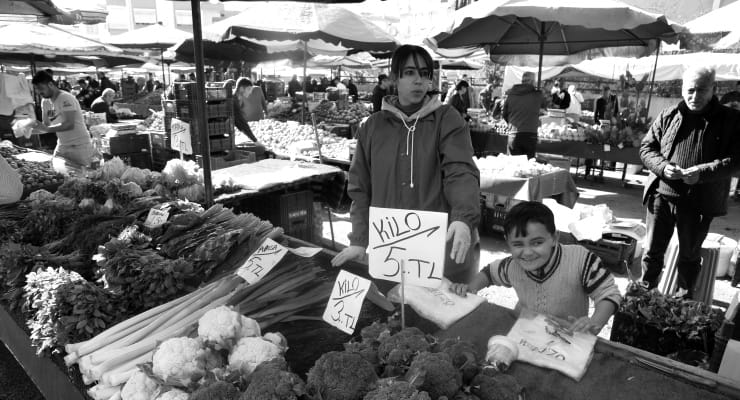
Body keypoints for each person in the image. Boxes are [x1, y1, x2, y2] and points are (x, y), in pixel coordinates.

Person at [330, 44, 481, 284]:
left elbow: (460, 170)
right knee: (391, 305)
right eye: (409, 72)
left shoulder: (447, 119)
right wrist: (359, 240)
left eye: (424, 73)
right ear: (394, 78)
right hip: (389, 249)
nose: (418, 80)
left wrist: (463, 217)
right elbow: (360, 187)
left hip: (438, 249)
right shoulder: (372, 127)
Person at [639, 66, 740, 299]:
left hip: (698, 203)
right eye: (690, 90)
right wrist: (663, 167)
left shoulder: (731, 120)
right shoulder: (669, 114)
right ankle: (644, 298)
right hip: (661, 197)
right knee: (652, 253)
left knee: (689, 257)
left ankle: (682, 302)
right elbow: (647, 148)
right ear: (683, 88)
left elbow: (736, 160)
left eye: (701, 90)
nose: (695, 96)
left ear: (713, 88)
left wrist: (702, 173)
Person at [450, 201, 622, 334]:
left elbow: (609, 294)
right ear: (508, 242)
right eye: (518, 244)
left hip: (570, 336)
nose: (527, 252)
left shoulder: (580, 260)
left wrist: (594, 322)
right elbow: (489, 273)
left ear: (554, 238)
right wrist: (471, 288)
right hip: (527, 332)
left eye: (537, 243)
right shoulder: (512, 266)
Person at [30, 71, 94, 167]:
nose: (39, 92)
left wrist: (46, 129)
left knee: (83, 174)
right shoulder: (45, 102)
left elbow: (69, 124)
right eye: (36, 89)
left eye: (41, 88)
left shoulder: (65, 98)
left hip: (79, 146)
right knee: (54, 171)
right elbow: (46, 126)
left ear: (50, 84)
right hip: (62, 145)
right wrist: (28, 131)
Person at [502, 71, 547, 159]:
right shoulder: (537, 95)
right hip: (530, 135)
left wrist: (513, 124)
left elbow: (504, 114)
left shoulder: (511, 95)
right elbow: (545, 106)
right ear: (532, 82)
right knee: (529, 165)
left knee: (513, 164)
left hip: (513, 135)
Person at [231, 78, 260, 143]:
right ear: (241, 88)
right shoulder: (233, 101)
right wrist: (255, 141)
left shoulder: (236, 99)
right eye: (249, 89)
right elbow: (241, 123)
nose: (250, 92)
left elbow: (240, 123)